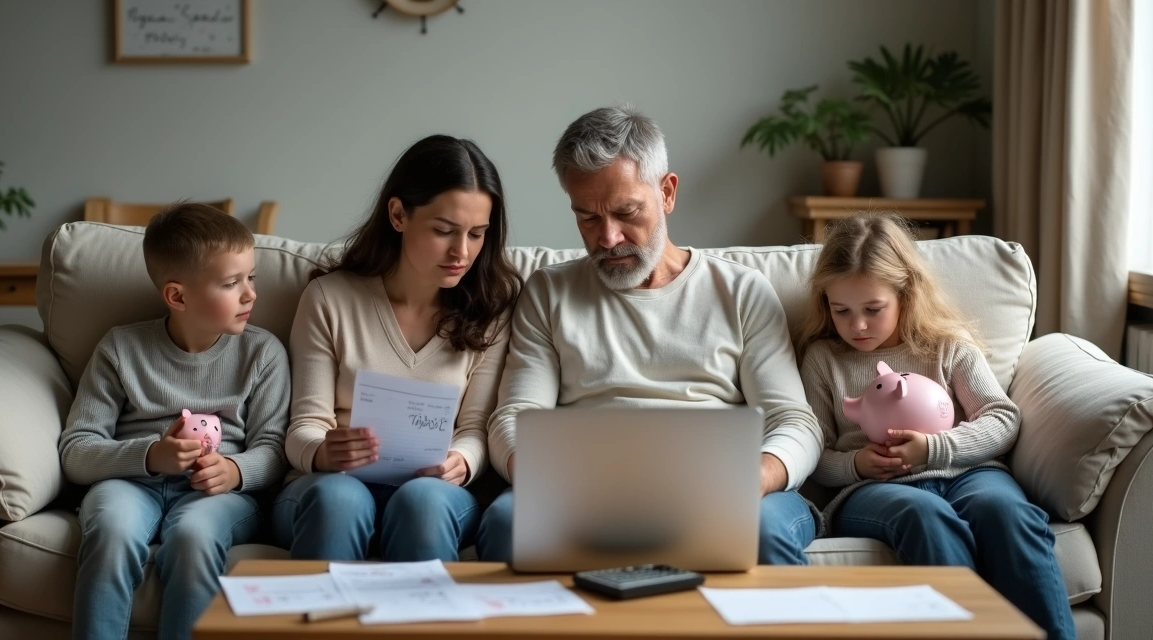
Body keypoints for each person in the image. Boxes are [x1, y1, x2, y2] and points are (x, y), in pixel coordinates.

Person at [476, 106, 822, 565]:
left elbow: (795, 422)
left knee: (761, 530)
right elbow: (515, 417)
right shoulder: (548, 292)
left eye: (626, 212)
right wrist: (545, 478)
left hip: (723, 486)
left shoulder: (741, 291)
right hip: (585, 490)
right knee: (505, 524)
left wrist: (753, 477)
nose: (608, 237)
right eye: (587, 218)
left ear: (667, 192)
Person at [795, 212, 1074, 639]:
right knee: (924, 514)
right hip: (874, 490)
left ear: (906, 295)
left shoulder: (946, 346)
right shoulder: (824, 360)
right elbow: (813, 454)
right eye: (841, 311)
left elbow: (1002, 418)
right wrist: (856, 464)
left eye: (873, 309)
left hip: (969, 474)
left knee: (1007, 513)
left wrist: (934, 449)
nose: (858, 325)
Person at [273, 135, 520, 561]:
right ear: (398, 214)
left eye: (477, 234)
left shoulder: (491, 310)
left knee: (422, 503)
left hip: (433, 491)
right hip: (330, 486)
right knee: (340, 501)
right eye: (444, 231)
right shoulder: (330, 299)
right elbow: (304, 425)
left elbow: (476, 428)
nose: (461, 252)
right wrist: (323, 451)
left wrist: (462, 460)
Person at [58, 203, 290, 640]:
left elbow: (276, 449)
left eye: (251, 277)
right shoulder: (120, 349)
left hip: (216, 493)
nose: (250, 294)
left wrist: (234, 469)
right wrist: (150, 456)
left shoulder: (263, 354)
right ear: (178, 297)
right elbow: (76, 451)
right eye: (231, 283)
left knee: (193, 537)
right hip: (129, 484)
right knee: (111, 530)